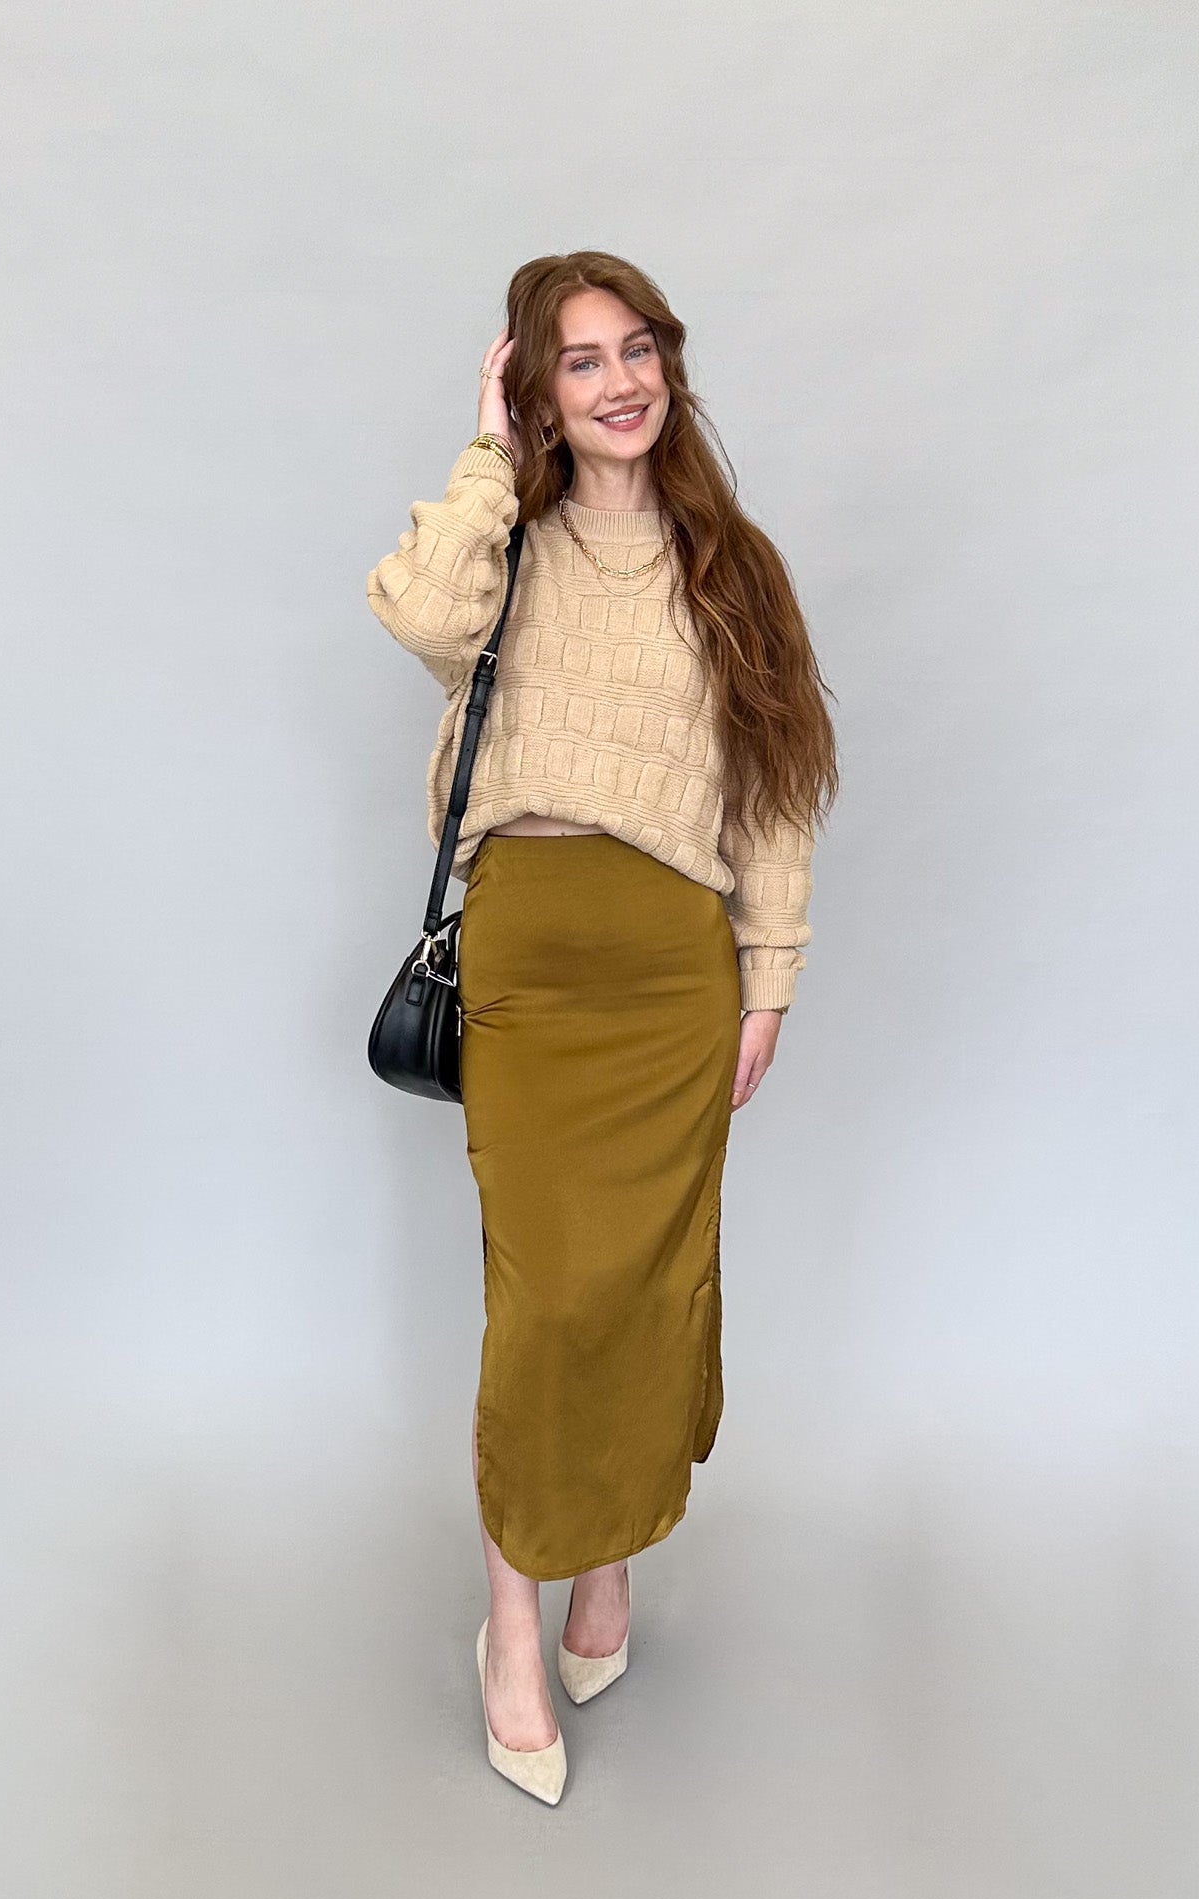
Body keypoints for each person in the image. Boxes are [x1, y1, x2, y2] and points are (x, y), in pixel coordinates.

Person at [366, 250, 837, 1804]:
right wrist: (486, 453)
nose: (621, 381)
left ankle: (609, 1564)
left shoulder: (733, 568)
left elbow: (773, 798)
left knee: (643, 1288)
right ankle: (514, 1623)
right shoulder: (505, 546)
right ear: (537, 389)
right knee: (545, 1301)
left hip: (673, 984)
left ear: (668, 365)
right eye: (581, 360)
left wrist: (769, 977)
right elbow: (414, 611)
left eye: (638, 349)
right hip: (528, 963)